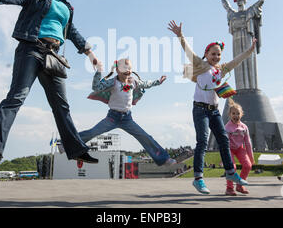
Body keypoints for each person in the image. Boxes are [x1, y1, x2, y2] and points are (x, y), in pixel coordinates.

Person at [0, 0, 99, 169]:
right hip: (31, 49)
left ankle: (77, 150)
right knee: (16, 97)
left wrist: (90, 53)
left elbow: (71, 31)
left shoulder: (65, 5)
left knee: (61, 106)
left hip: (54, 56)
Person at [168, 20, 256, 194]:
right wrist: (180, 36)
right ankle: (198, 179)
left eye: (218, 54)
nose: (216, 57)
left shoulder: (221, 69)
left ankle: (231, 173)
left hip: (214, 111)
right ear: (206, 54)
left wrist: (249, 51)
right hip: (200, 109)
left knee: (223, 139)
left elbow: (236, 61)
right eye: (213, 54)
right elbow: (189, 52)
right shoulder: (201, 65)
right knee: (202, 142)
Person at [79, 59, 177, 166]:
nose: (128, 71)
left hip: (127, 119)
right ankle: (66, 144)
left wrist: (158, 82)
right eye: (125, 68)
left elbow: (145, 84)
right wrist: (98, 71)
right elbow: (96, 87)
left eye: (130, 68)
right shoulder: (113, 82)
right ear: (117, 70)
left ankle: (163, 158)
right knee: (93, 132)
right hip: (112, 117)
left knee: (144, 136)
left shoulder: (133, 82)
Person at [224, 99, 254, 196]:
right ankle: (229, 188)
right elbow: (225, 144)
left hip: (239, 148)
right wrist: (224, 158)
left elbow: (248, 142)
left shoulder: (244, 127)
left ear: (241, 114)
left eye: (238, 113)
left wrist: (250, 156)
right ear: (229, 115)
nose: (236, 116)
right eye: (233, 113)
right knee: (232, 168)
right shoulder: (227, 128)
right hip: (229, 150)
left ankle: (240, 185)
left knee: (248, 165)